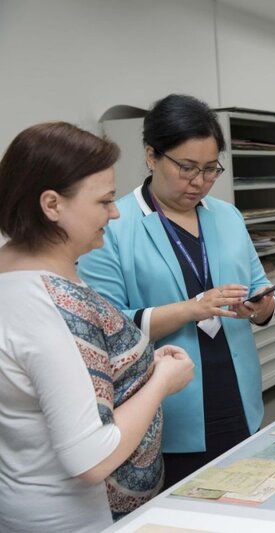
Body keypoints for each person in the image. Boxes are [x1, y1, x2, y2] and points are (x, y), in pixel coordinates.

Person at [0, 122, 194, 532]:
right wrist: (161, 381)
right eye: (104, 201)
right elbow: (91, 458)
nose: (115, 212)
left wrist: (136, 367)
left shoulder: (21, 275)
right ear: (52, 205)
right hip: (81, 519)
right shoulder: (47, 305)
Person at [79, 94, 275, 487]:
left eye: (210, 169)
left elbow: (261, 290)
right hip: (168, 404)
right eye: (186, 167)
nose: (199, 181)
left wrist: (259, 306)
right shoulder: (114, 226)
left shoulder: (227, 216)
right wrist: (192, 309)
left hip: (238, 393)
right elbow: (107, 329)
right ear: (152, 156)